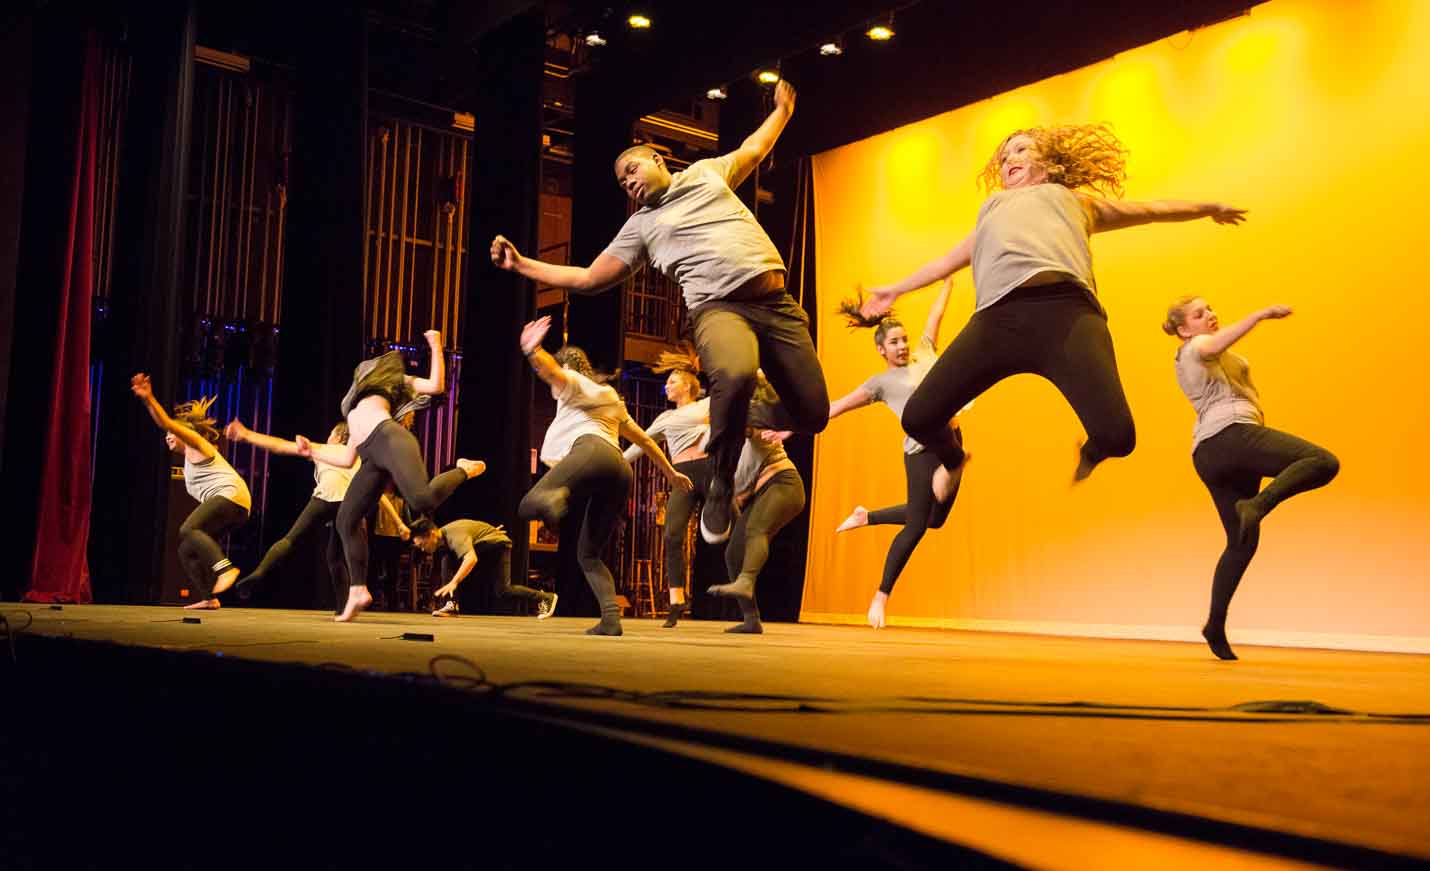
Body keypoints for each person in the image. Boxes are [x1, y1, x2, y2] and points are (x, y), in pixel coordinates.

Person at [491, 79, 827, 548]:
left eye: (632, 170)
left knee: (813, 413)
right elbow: (589, 278)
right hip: (719, 309)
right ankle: (722, 482)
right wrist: (522, 263)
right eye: (622, 183)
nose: (628, 182)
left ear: (659, 160)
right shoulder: (641, 227)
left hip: (777, 304)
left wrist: (784, 111)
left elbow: (755, 147)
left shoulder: (709, 173)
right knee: (734, 371)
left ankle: (739, 412)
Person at [859, 124, 1247, 499]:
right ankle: (954, 460)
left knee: (1118, 437)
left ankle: (1091, 453)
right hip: (998, 320)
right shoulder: (992, 208)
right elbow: (945, 262)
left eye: (1022, 149)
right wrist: (897, 288)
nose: (1010, 158)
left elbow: (1152, 209)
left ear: (1049, 165)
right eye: (1005, 155)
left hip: (1069, 316)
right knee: (918, 418)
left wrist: (1208, 207)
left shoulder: (1075, 201)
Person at [1163, 297, 1338, 660]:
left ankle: (1214, 624)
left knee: (1241, 543)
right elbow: (1216, 343)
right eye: (1199, 314)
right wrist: (1260, 315)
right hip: (1231, 436)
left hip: (1210, 453)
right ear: (1183, 330)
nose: (1210, 315)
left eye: (1210, 309)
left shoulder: (1209, 356)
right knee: (1322, 461)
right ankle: (1257, 505)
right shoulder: (1195, 348)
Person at [518, 315, 692, 636]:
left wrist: (532, 351)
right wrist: (670, 473)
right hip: (618, 470)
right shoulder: (610, 399)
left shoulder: (575, 383)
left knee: (528, 505)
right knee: (588, 553)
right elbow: (645, 440)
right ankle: (610, 619)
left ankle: (558, 497)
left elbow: (552, 371)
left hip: (591, 453)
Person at [296, 330, 484, 622]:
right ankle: (358, 590)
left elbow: (435, 386)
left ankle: (463, 469)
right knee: (346, 519)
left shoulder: (394, 382)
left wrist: (435, 345)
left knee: (421, 499)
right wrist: (312, 452)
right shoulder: (354, 409)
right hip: (371, 455)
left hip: (390, 438)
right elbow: (346, 458)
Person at [820, 275, 967, 628]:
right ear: (881, 350)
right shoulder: (880, 383)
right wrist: (790, 426)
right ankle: (880, 597)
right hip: (921, 455)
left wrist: (947, 283)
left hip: (951, 444)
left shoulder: (924, 356)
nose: (902, 346)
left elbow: (935, 318)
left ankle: (866, 516)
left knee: (935, 520)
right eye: (894, 343)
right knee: (916, 526)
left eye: (903, 339)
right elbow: (836, 406)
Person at [130, 375, 250, 609]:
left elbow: (165, 422)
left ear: (183, 433)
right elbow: (166, 426)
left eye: (171, 434)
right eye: (166, 436)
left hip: (230, 496)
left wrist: (148, 399)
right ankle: (209, 598)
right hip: (234, 505)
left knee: (188, 528)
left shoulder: (198, 444)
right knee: (186, 549)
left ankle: (225, 569)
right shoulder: (188, 463)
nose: (167, 437)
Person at [708, 377, 806, 634]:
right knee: (733, 553)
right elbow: (735, 494)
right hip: (764, 493)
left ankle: (747, 580)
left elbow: (759, 414)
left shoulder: (752, 423)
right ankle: (751, 619)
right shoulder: (726, 457)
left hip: (784, 484)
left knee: (756, 531)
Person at [622, 347, 711, 627]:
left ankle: (747, 599)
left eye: (671, 381)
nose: (666, 386)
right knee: (673, 536)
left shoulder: (706, 405)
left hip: (709, 471)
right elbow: (640, 447)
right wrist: (613, 463)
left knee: (733, 528)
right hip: (682, 476)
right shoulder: (664, 419)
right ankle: (676, 600)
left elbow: (736, 392)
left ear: (687, 385)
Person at [410, 518, 558, 619]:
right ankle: (452, 604)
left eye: (422, 545)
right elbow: (472, 526)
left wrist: (454, 582)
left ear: (431, 534)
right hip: (485, 547)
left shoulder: (454, 537)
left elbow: (471, 559)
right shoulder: (443, 538)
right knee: (446, 558)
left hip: (499, 546)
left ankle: (546, 597)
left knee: (503, 590)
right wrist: (487, 530)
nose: (423, 549)